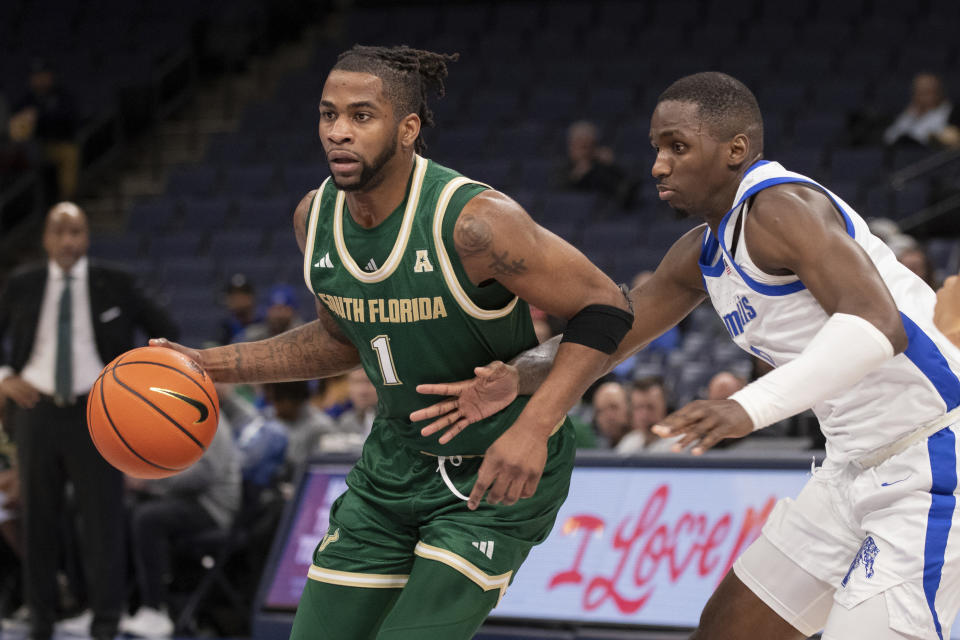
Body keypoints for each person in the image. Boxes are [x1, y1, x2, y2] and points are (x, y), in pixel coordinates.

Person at [415, 72, 960, 640]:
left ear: (736, 150)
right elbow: (608, 335)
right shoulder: (701, 252)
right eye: (656, 148)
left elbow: (878, 327)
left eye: (677, 147)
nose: (657, 165)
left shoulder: (783, 207)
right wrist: (515, 377)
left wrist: (748, 407)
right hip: (852, 464)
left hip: (933, 459)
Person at [149, 45, 633, 639]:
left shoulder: (475, 223)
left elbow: (608, 307)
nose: (338, 133)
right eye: (328, 115)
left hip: (494, 467)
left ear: (407, 129)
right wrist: (202, 365)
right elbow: (340, 339)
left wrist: (533, 426)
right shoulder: (315, 219)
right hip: (393, 465)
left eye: (360, 116)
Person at [0, 202, 178, 640]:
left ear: (86, 238)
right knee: (37, 520)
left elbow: (164, 329)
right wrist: (5, 377)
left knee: (103, 523)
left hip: (98, 412)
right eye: (59, 231)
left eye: (76, 231)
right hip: (34, 408)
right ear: (45, 238)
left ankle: (105, 625)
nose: (67, 240)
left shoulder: (114, 283)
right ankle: (40, 623)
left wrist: (134, 386)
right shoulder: (23, 283)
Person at [121, 422, 242, 638]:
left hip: (212, 508)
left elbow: (202, 475)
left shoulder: (211, 423)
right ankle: (124, 604)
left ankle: (155, 608)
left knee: (147, 519)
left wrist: (151, 478)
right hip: (185, 500)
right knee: (126, 509)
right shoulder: (176, 417)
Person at [555, 120, 634, 206]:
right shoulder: (561, 167)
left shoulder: (602, 167)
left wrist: (612, 166)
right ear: (571, 147)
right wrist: (577, 175)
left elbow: (627, 189)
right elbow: (557, 193)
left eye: (589, 146)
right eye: (581, 147)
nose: (585, 152)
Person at [883, 72, 960, 149]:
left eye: (927, 92)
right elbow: (889, 136)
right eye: (918, 92)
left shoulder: (952, 114)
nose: (921, 96)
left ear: (939, 92)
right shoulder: (909, 112)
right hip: (900, 154)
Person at [616, 375, 675, 454]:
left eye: (650, 407)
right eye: (638, 407)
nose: (644, 415)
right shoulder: (628, 443)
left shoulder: (680, 444)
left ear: (665, 408)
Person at [240, 283, 304, 341]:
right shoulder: (253, 335)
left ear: (294, 311)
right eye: (275, 308)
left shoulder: (304, 334)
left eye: (283, 308)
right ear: (268, 310)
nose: (279, 315)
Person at [217, 272, 260, 345]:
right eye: (234, 295)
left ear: (251, 297)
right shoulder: (224, 328)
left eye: (243, 294)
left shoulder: (263, 323)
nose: (238, 299)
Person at [590, 381, 630, 448]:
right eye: (600, 411)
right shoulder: (598, 446)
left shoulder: (642, 444)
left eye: (614, 407)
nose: (608, 417)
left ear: (629, 407)